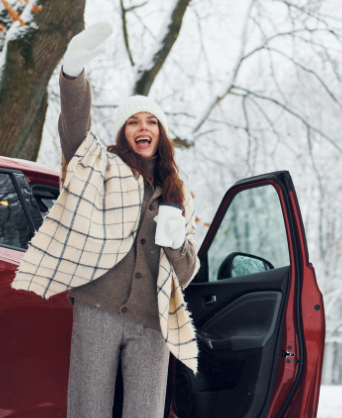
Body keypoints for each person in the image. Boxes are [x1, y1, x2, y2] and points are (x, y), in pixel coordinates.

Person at [11, 22, 200, 418]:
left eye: (151, 121)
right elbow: (76, 134)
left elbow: (185, 272)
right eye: (133, 121)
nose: (142, 127)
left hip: (153, 321)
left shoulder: (176, 192)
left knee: (144, 413)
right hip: (98, 306)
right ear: (124, 132)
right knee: (88, 409)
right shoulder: (105, 167)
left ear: (161, 133)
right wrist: (74, 72)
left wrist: (174, 240)